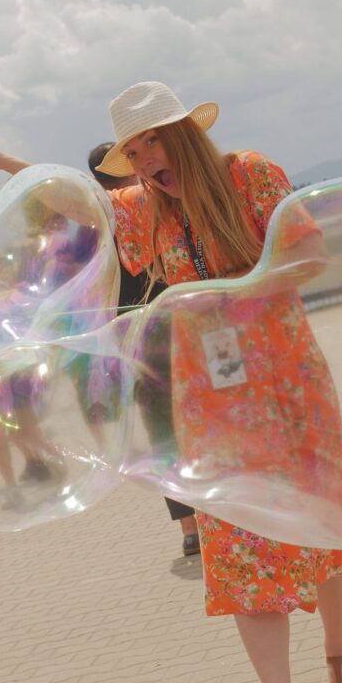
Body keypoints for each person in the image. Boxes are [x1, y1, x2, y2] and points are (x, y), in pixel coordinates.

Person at [0, 81, 342, 683]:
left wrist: (230, 295)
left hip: (288, 381)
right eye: (134, 153)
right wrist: (5, 164)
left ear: (184, 136)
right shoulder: (144, 207)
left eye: (152, 144)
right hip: (209, 401)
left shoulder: (248, 174)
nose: (145, 162)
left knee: (317, 520)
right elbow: (77, 198)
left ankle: (339, 652)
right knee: (236, 550)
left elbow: (310, 254)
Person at [88, 142, 198, 557]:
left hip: (131, 342)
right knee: (193, 421)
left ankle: (191, 528)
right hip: (170, 330)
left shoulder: (91, 228)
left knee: (162, 432)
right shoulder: (142, 209)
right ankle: (213, 514)